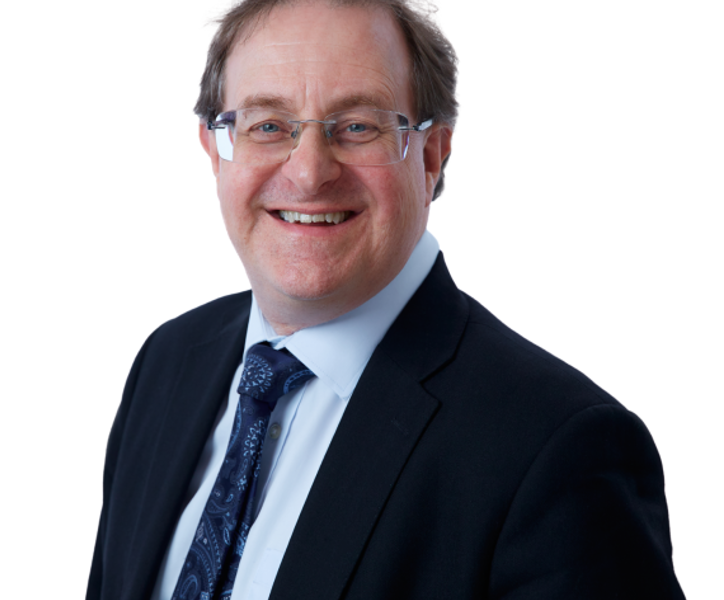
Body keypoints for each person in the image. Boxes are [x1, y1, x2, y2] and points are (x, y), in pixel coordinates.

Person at [87, 0, 685, 598]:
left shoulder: (559, 450)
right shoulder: (168, 363)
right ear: (215, 150)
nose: (309, 172)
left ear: (431, 156)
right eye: (268, 125)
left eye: (357, 127)